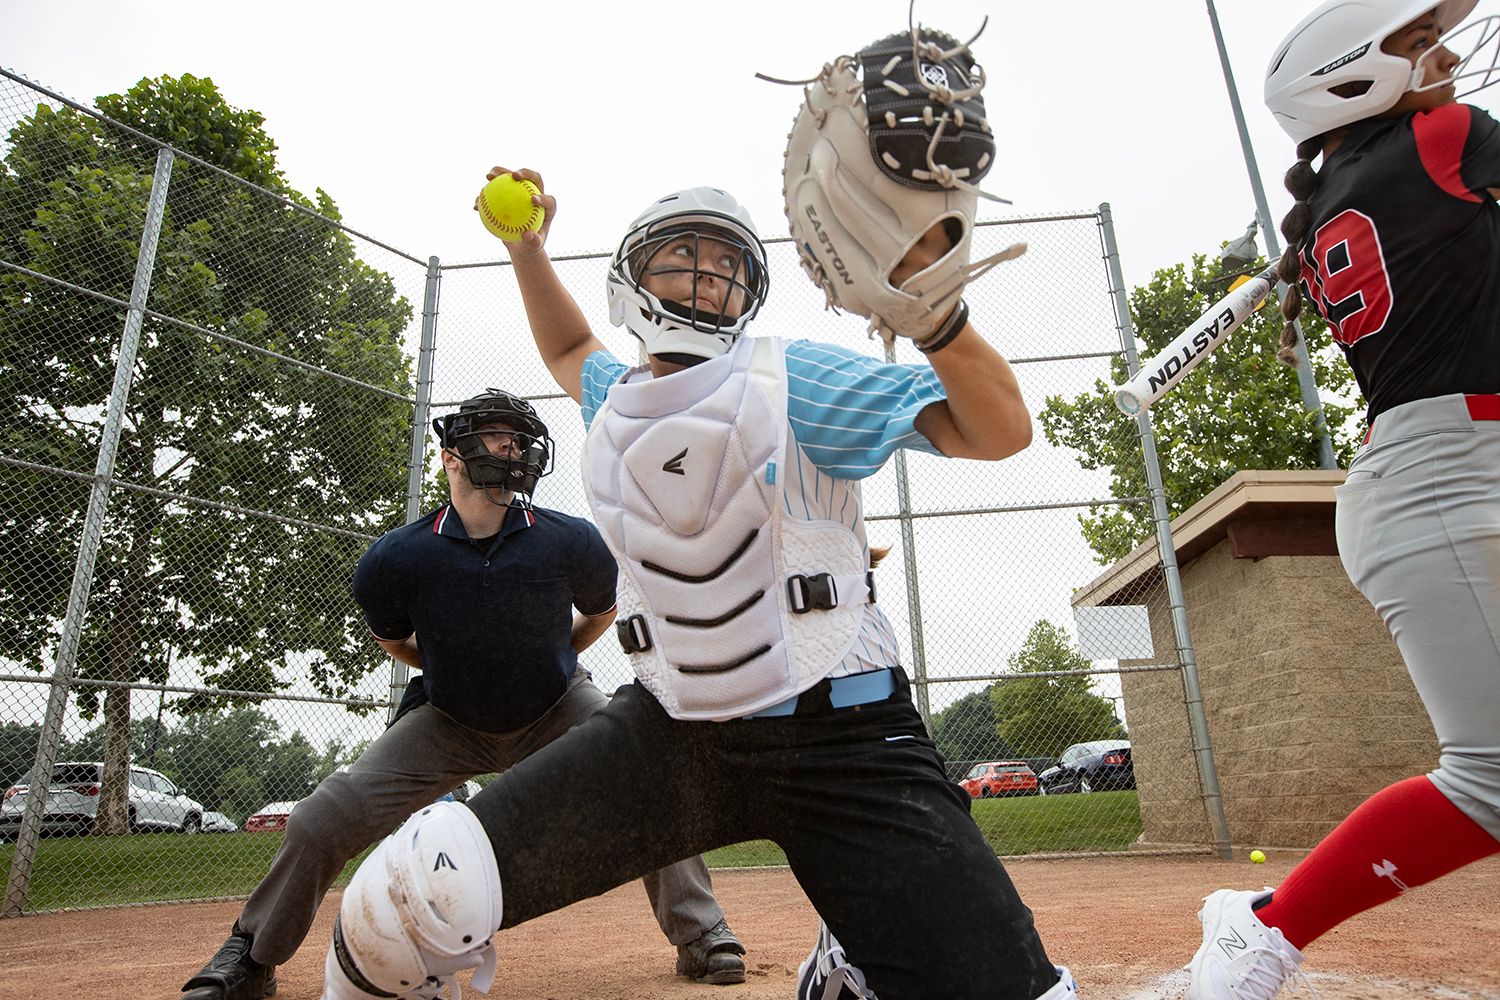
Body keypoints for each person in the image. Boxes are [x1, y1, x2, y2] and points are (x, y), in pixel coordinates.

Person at [318, 163, 1077, 1000]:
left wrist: (939, 317)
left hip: (844, 734)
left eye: (726, 264)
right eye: (682, 255)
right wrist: (527, 249)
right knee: (409, 906)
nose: (707, 273)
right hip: (675, 731)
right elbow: (571, 349)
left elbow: (999, 430)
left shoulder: (800, 378)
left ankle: (854, 966)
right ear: (632, 278)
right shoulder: (617, 400)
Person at [179, 389, 745, 1000]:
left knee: (646, 775)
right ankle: (251, 952)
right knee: (325, 816)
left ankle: (701, 932)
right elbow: (393, 639)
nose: (514, 449)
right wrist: (456, 664)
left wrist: (552, 659)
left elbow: (602, 611)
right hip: (447, 721)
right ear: (452, 457)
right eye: (498, 437)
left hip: (555, 707)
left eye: (520, 440)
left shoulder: (568, 540)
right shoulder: (399, 557)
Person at [1186, 2, 1500, 996]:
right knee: (1493, 780)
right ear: (1354, 78)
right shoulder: (1442, 137)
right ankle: (1266, 928)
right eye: (1416, 44)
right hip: (1448, 481)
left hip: (1447, 472)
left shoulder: (1348, 193)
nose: (1444, 53)